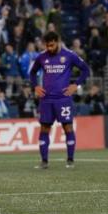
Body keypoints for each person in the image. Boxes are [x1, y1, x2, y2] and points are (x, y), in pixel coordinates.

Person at [29, 31, 90, 169]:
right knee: (44, 128)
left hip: (63, 99)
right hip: (46, 100)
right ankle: (44, 161)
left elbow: (85, 70)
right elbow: (32, 73)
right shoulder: (42, 57)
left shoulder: (69, 55)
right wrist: (36, 86)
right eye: (47, 45)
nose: (49, 48)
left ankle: (70, 160)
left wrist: (76, 85)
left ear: (58, 41)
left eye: (51, 45)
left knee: (67, 127)